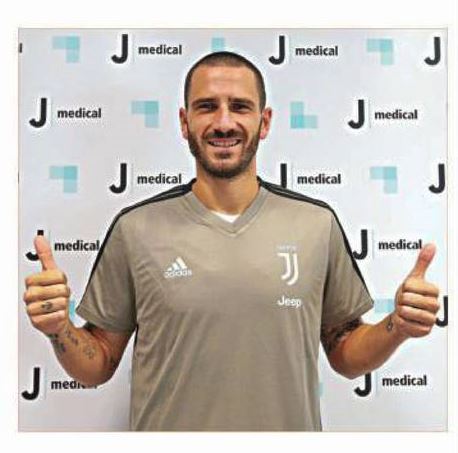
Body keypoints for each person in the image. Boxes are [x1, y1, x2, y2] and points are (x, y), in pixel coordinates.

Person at [23, 51, 440, 431]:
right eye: (207, 107)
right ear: (184, 122)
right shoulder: (136, 228)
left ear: (265, 121)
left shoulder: (316, 223)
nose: (224, 123)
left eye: (240, 106)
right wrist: (60, 329)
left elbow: (346, 353)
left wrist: (397, 326)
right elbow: (97, 363)